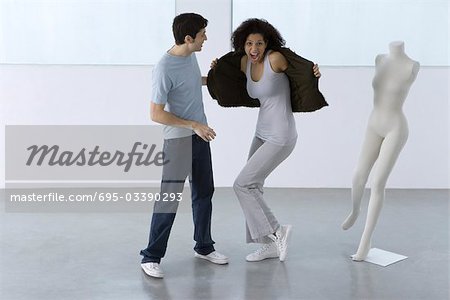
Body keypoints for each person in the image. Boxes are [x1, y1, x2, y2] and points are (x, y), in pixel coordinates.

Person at [207, 18, 327, 262]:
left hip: (281, 135)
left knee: (242, 184)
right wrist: (216, 70)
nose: (254, 49)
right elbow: (227, 75)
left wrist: (314, 73)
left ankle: (277, 231)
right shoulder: (244, 62)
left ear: (267, 43)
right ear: (243, 45)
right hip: (261, 132)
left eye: (259, 43)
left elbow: (300, 70)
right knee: (254, 186)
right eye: (249, 43)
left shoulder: (275, 59)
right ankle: (269, 245)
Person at [140, 13, 228, 279]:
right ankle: (151, 256)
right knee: (169, 198)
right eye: (203, 34)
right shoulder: (164, 67)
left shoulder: (190, 56)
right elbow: (155, 113)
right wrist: (193, 125)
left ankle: (204, 246)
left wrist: (212, 77)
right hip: (178, 141)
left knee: (204, 193)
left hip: (199, 137)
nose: (206, 39)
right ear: (189, 38)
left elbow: (191, 83)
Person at [341, 41, 420, 261]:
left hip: (396, 127)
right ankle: (355, 210)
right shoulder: (379, 59)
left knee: (377, 183)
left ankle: (365, 242)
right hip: (374, 122)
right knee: (358, 176)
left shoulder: (412, 66)